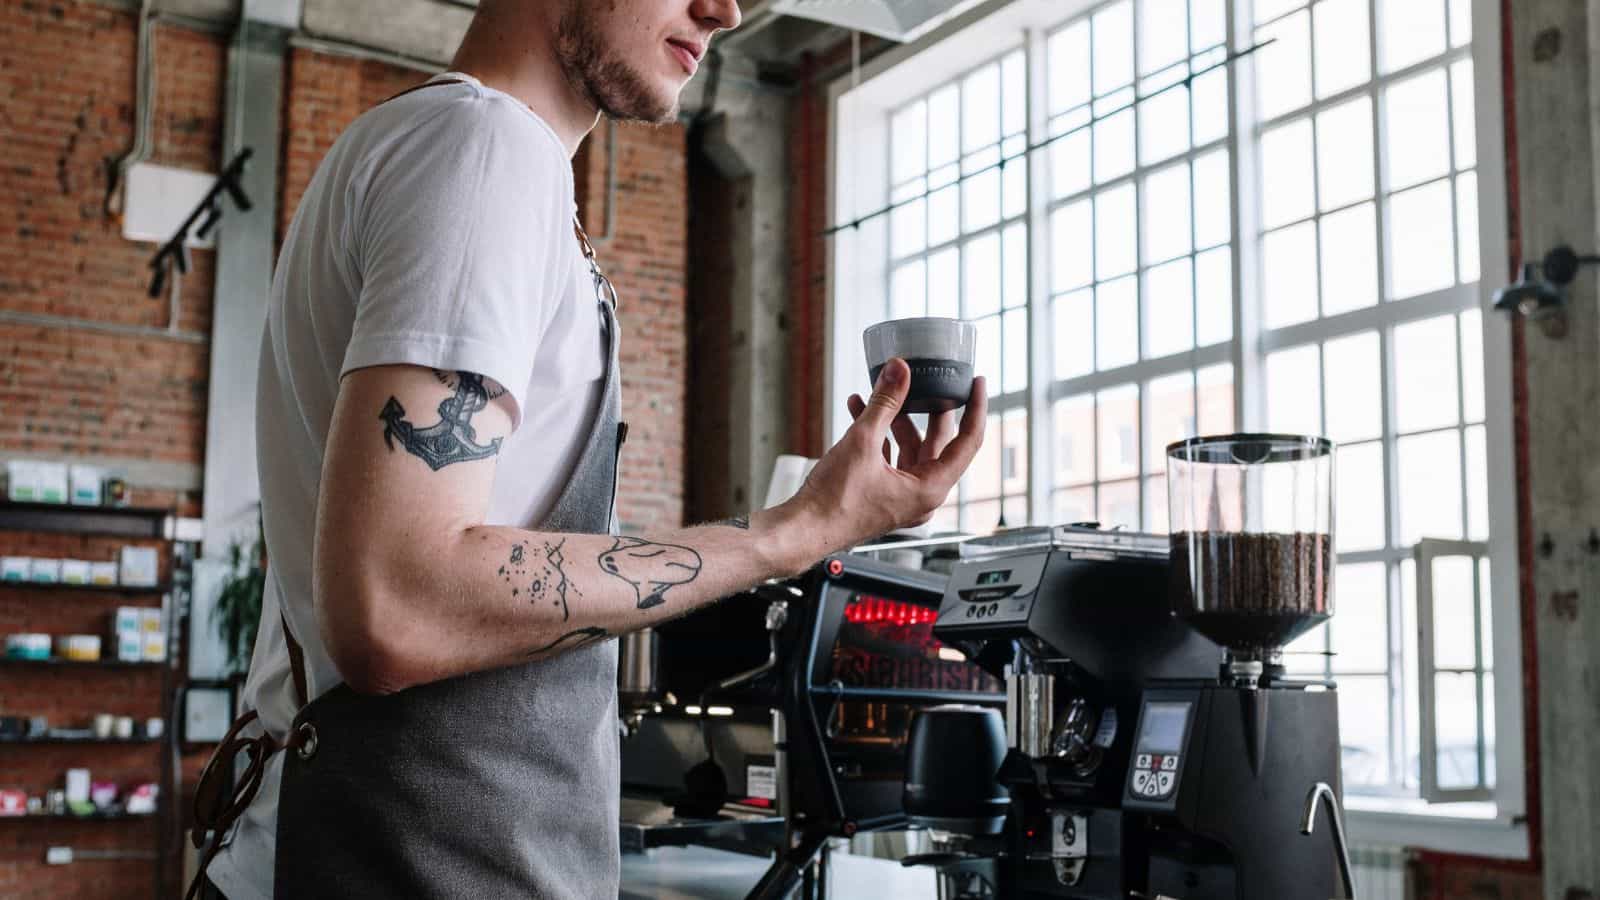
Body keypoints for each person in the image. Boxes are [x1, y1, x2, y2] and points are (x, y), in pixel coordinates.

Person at [195, 0, 987, 897]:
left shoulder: (466, 155)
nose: (724, 10)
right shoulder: (484, 151)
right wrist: (790, 532)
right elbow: (396, 604)